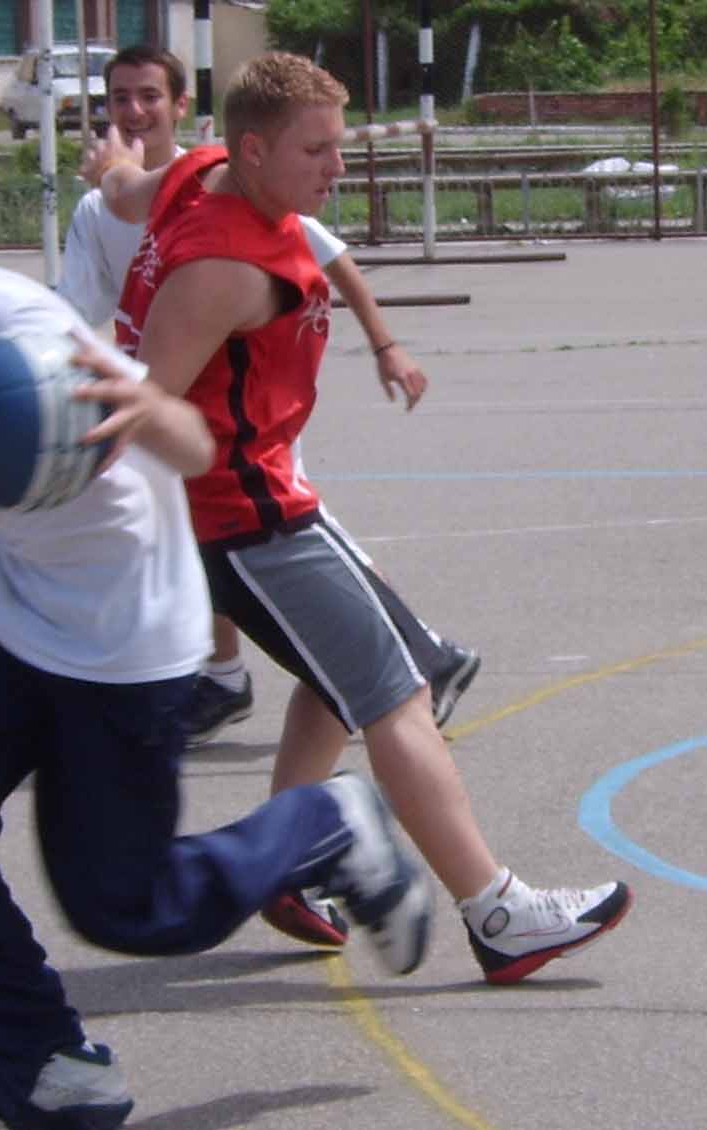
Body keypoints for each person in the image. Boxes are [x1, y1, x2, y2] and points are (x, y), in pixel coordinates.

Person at [0, 111, 432, 1130]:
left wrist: (150, 409)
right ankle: (48, 1073)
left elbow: (187, 442)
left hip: (123, 633)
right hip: (14, 610)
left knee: (128, 905)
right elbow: (31, 449)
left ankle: (323, 822)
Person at [88, 51, 632, 986]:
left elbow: (128, 188)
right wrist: (20, 512)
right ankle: (499, 912)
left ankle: (287, 862)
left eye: (339, 145)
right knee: (394, 693)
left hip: (271, 496)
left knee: (341, 680)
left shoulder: (198, 170)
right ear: (254, 151)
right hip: (246, 519)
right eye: (318, 151)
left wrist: (110, 168)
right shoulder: (222, 268)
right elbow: (143, 407)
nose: (337, 167)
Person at [57, 45, 478, 758]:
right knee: (348, 656)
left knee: (336, 643)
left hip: (246, 456)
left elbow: (330, 256)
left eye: (148, 96)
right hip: (212, 472)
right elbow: (111, 233)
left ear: (180, 106)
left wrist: (386, 344)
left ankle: (409, 664)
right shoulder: (189, 206)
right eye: (120, 98)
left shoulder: (238, 188)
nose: (133, 110)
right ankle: (384, 679)